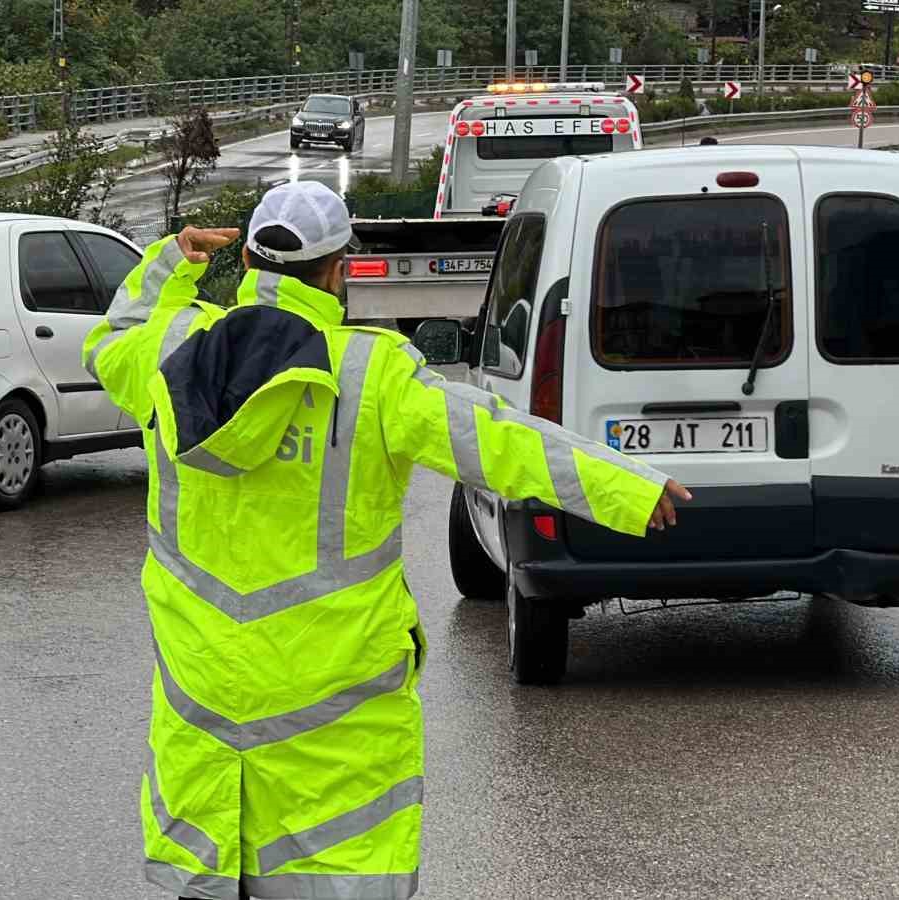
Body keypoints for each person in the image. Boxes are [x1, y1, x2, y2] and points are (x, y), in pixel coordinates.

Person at [82, 181, 691, 900]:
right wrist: (630, 487)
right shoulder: (372, 374)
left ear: (247, 258)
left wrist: (171, 263)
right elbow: (494, 438)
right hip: (336, 742)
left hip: (206, 736)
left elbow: (109, 341)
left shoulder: (167, 354)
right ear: (340, 270)